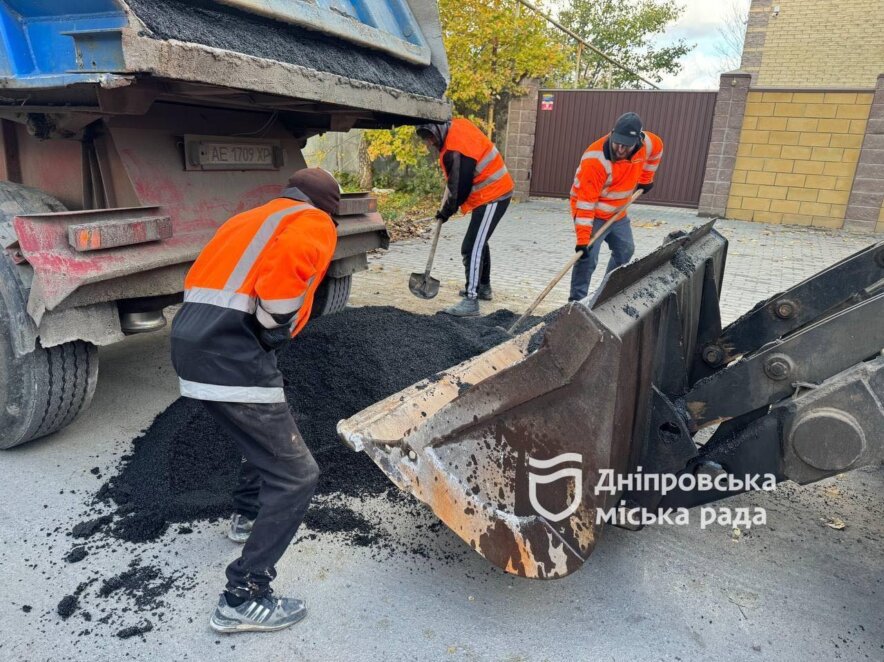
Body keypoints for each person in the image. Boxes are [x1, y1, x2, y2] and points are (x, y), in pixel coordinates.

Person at [170, 168, 340, 634]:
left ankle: (247, 515)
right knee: (298, 475)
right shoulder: (313, 222)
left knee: (263, 430)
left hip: (191, 343)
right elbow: (283, 284)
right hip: (232, 351)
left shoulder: (249, 218)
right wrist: (272, 323)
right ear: (328, 207)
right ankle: (242, 596)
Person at [416, 118, 514, 317]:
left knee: (471, 247)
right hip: (489, 192)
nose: (429, 143)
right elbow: (455, 179)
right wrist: (446, 207)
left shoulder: (456, 148)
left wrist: (446, 212)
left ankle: (471, 300)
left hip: (493, 193)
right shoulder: (455, 127)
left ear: (438, 130)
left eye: (430, 138)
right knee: (479, 241)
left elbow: (460, 188)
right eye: (426, 140)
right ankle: (483, 287)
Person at [569, 112, 663, 301]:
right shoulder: (595, 160)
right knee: (587, 258)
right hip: (592, 213)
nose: (620, 149)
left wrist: (646, 179)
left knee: (625, 251)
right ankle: (576, 302)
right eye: (617, 142)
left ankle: (606, 293)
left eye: (626, 145)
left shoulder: (649, 143)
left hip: (618, 213)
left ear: (638, 140)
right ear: (612, 133)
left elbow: (657, 152)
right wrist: (582, 239)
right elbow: (586, 204)